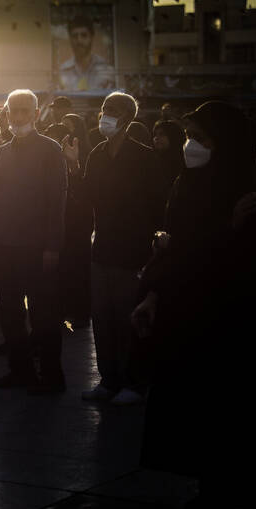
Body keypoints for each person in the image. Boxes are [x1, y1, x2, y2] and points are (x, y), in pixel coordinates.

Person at [131, 101, 256, 509]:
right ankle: (206, 484)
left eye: (201, 139)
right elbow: (183, 241)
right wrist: (154, 294)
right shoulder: (187, 182)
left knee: (219, 406)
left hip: (222, 317)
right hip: (184, 308)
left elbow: (229, 256)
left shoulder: (243, 189)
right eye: (190, 137)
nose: (191, 146)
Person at [0, 89, 67, 393]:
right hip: (4, 243)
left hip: (36, 245)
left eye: (23, 111)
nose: (17, 117)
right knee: (9, 311)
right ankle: (20, 370)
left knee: (44, 313)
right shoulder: (4, 150)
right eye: (12, 111)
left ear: (35, 114)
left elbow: (56, 203)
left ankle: (51, 375)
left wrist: (52, 246)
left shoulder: (50, 149)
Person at [63, 92, 165, 405]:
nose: (106, 115)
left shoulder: (145, 156)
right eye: (105, 109)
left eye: (114, 110)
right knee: (102, 317)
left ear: (128, 117)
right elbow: (84, 197)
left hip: (133, 248)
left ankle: (134, 383)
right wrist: (73, 163)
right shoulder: (97, 154)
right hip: (103, 245)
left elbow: (157, 204)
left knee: (127, 318)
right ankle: (108, 380)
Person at [59, 113, 94, 327]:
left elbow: (85, 189)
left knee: (79, 264)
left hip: (80, 219)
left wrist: (74, 165)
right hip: (64, 218)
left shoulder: (88, 152)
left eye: (68, 126)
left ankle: (80, 312)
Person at [58, 15, 115, 91]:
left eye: (84, 35)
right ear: (70, 39)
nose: (79, 41)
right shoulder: (63, 70)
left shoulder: (105, 68)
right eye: (75, 36)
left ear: (91, 37)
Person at [152, 120, 185, 193]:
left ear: (173, 136)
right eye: (155, 135)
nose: (156, 138)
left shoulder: (184, 162)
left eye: (162, 134)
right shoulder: (152, 160)